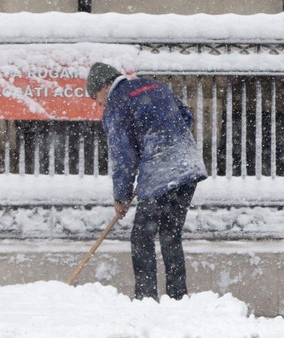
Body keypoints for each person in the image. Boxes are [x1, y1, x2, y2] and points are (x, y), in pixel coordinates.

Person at [85, 62, 207, 301]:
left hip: (161, 174)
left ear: (106, 85)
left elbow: (123, 156)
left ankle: (145, 299)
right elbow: (186, 116)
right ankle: (178, 298)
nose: (99, 103)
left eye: (97, 97)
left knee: (142, 238)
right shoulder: (154, 85)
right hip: (188, 167)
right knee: (171, 234)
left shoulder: (117, 104)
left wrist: (121, 196)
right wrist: (164, 140)